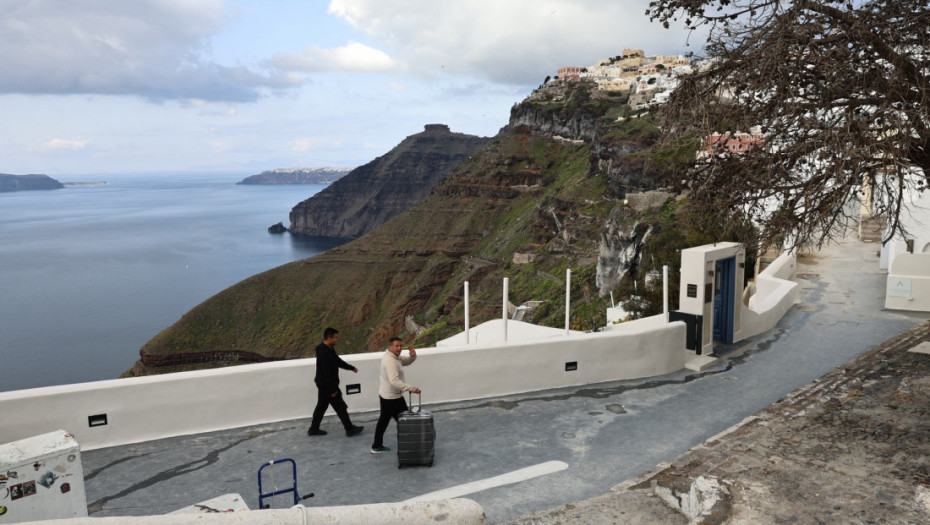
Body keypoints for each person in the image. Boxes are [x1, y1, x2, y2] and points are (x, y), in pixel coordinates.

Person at [307, 327, 364, 437]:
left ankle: (313, 429)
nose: (337, 340)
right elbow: (327, 373)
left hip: (324, 385)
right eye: (335, 338)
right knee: (340, 407)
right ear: (329, 338)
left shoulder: (328, 349)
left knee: (321, 407)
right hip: (327, 386)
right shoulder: (324, 353)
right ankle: (349, 429)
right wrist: (332, 390)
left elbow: (337, 361)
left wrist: (350, 368)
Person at [370, 336, 421, 454]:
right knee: (405, 422)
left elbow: (405, 361)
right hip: (392, 398)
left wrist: (413, 356)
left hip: (386, 395)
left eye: (400, 346)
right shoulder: (390, 361)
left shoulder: (394, 357)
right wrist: (411, 388)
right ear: (390, 346)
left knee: (383, 421)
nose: (399, 348)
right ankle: (410, 447)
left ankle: (376, 446)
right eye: (396, 346)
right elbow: (394, 381)